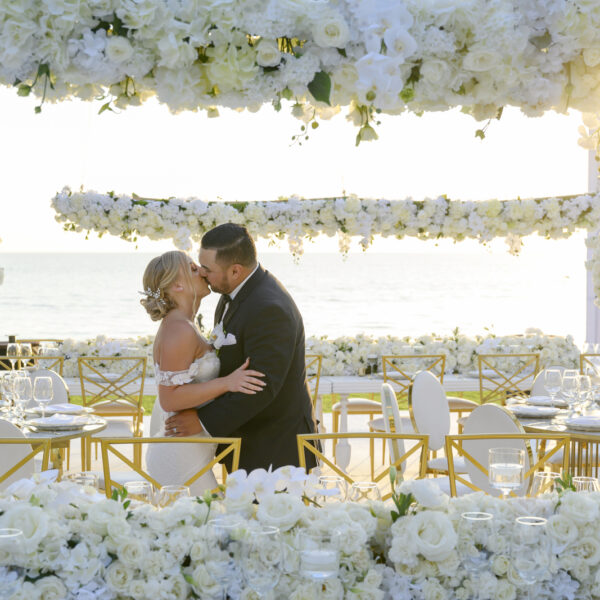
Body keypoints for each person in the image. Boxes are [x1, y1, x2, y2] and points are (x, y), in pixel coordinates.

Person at [164, 223, 319, 472]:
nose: (202, 274)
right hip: (246, 443)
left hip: (275, 452)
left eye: (207, 269)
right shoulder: (231, 294)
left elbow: (261, 385)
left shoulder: (269, 308)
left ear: (235, 271)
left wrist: (202, 421)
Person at [140, 250, 265, 495]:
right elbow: (169, 398)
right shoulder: (178, 329)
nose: (202, 271)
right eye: (193, 268)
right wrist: (228, 383)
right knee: (208, 523)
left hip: (192, 448)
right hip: (180, 456)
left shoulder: (184, 325)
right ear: (177, 285)